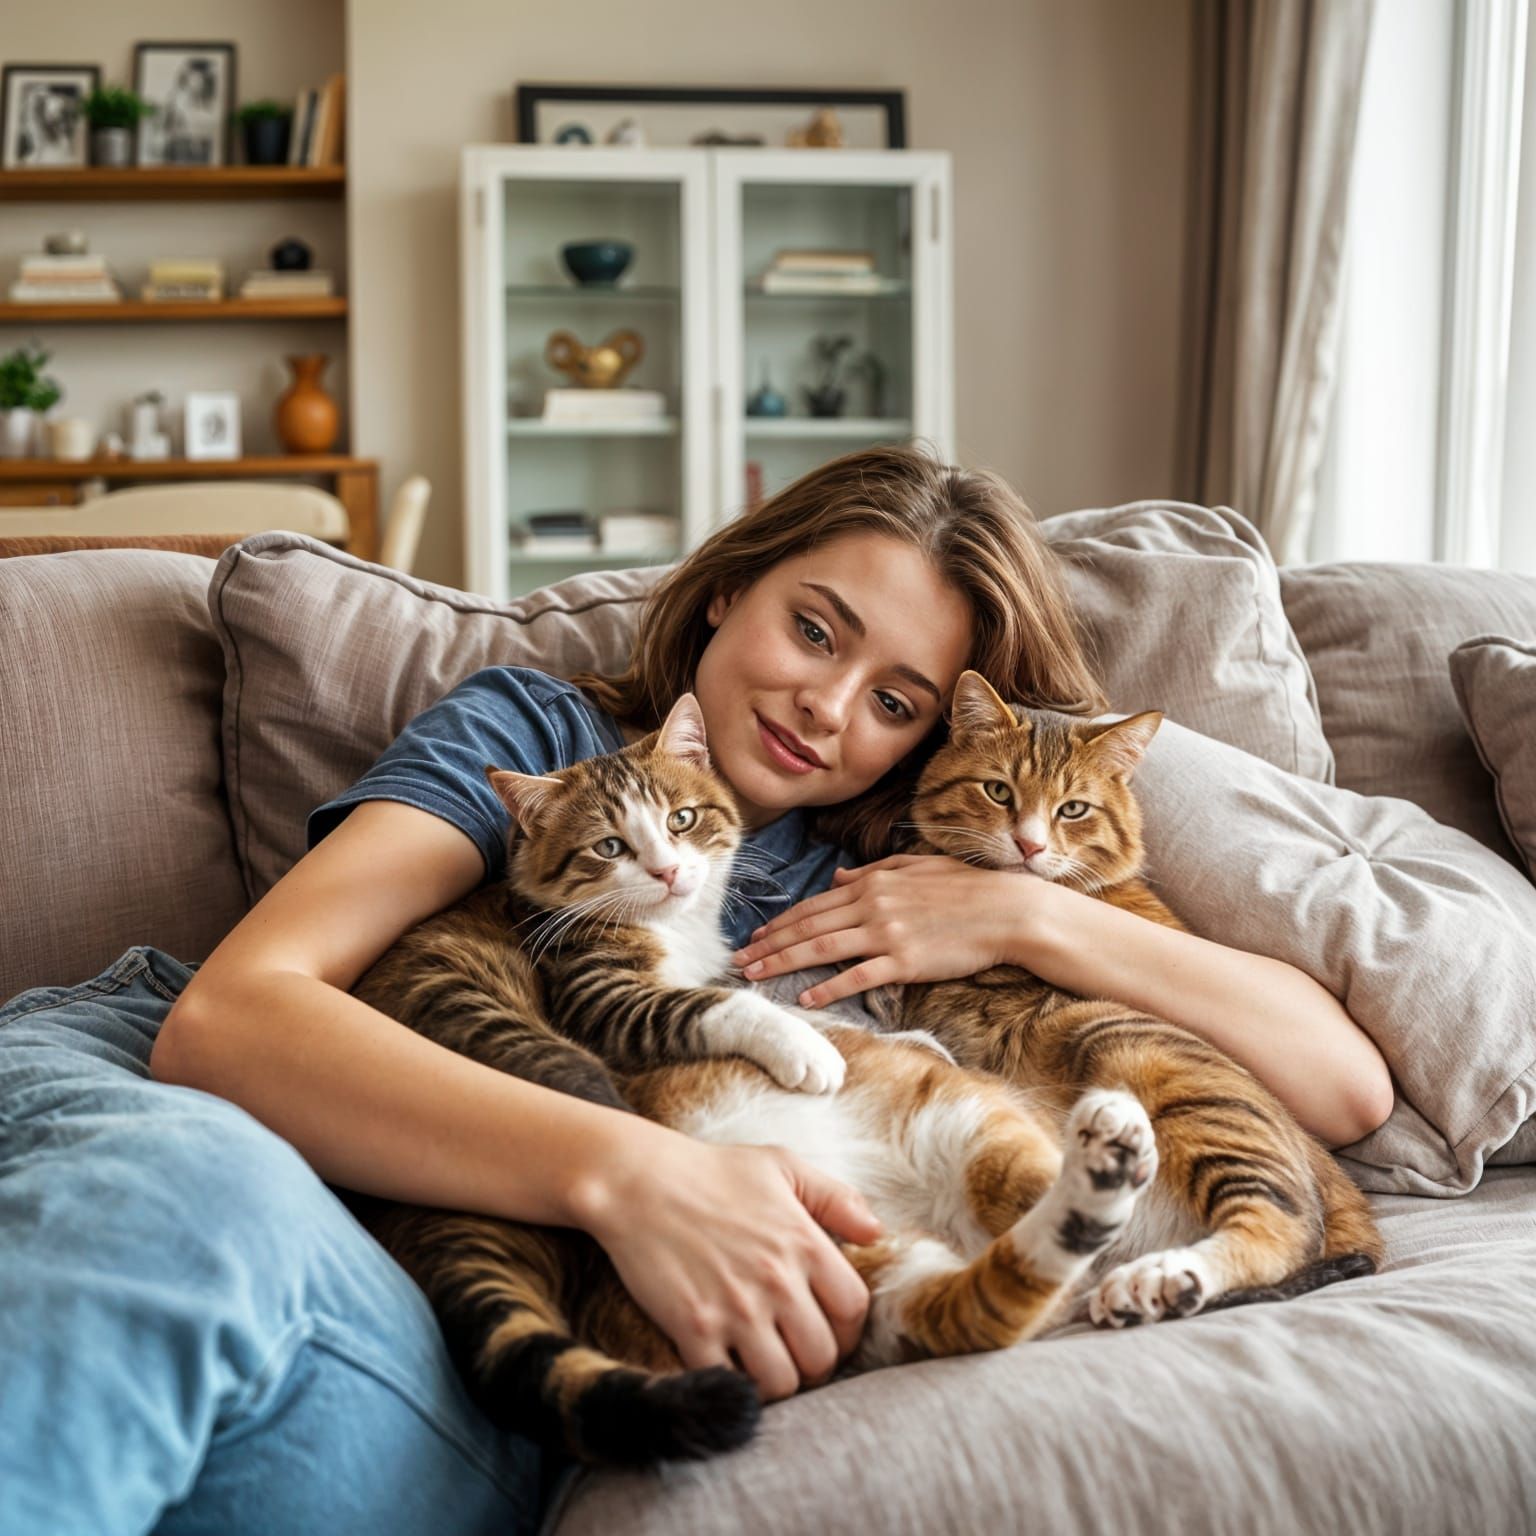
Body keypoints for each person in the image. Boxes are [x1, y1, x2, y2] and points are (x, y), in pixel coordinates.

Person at [0, 443, 1392, 1535]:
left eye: (898, 702)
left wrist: (1025, 906)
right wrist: (633, 1178)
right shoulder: (543, 735)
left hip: (447, 1272)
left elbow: (1338, 1084)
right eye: (815, 627)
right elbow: (232, 1018)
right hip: (209, 1093)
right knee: (193, 1221)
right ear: (732, 585)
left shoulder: (901, 864)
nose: (828, 707)